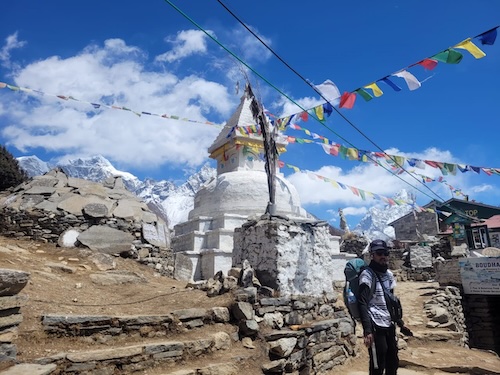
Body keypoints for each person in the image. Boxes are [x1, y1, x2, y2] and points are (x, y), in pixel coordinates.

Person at [358, 239, 408, 375]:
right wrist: (367, 330)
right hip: (375, 323)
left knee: (393, 361)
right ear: (372, 255)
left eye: (385, 253)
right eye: (379, 253)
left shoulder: (389, 275)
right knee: (378, 363)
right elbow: (362, 302)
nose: (383, 256)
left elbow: (390, 301)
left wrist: (399, 322)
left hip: (388, 323)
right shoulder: (367, 275)